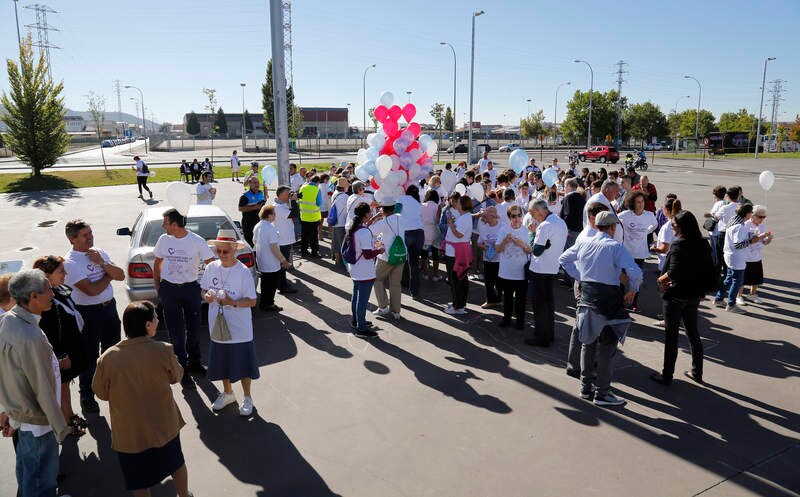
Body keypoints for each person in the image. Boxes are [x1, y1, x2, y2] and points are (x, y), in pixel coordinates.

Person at [92, 301, 192, 497]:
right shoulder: (163, 350)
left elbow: (101, 393)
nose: (157, 320)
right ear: (147, 325)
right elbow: (176, 377)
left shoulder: (107, 358)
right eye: (155, 317)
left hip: (130, 433)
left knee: (138, 478)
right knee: (176, 464)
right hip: (164, 425)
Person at [559, 212, 642, 407]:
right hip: (609, 302)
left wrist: (580, 276)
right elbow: (635, 272)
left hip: (587, 298)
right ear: (612, 228)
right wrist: (632, 289)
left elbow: (563, 259)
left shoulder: (584, 243)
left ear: (597, 226)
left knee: (588, 345)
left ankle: (585, 388)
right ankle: (602, 393)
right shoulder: (615, 247)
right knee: (607, 347)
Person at [0, 270, 71, 496]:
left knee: (28, 473)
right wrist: (59, 427)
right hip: (39, 423)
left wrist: (7, 411)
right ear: (32, 296)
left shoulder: (8, 321)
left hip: (23, 416)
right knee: (41, 481)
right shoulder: (29, 336)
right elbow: (42, 386)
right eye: (48, 289)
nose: (53, 293)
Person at [63, 219, 124, 414]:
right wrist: (108, 274)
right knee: (90, 356)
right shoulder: (70, 262)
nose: (90, 237)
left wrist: (103, 263)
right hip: (88, 313)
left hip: (109, 309)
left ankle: (110, 387)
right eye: (84, 235)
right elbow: (92, 291)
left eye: (90, 233)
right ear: (72, 239)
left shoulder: (99, 253)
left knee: (112, 351)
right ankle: (87, 396)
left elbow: (121, 275)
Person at [153, 209, 216, 390]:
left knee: (194, 328)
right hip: (169, 289)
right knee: (176, 333)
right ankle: (182, 371)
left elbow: (211, 263)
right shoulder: (164, 240)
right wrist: (158, 285)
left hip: (190, 289)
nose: (163, 226)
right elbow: (157, 263)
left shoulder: (196, 241)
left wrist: (205, 287)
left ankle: (195, 363)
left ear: (174, 224)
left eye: (165, 222)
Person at [650, 211, 714, 386]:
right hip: (694, 295)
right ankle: (697, 372)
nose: (672, 227)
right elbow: (709, 268)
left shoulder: (680, 245)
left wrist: (659, 281)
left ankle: (667, 375)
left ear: (682, 227)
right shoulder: (703, 243)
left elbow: (673, 272)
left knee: (672, 337)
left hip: (676, 295)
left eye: (674, 225)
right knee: (693, 334)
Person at [201, 230, 259, 416]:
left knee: (243, 362)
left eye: (225, 251)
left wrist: (231, 302)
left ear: (234, 250)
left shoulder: (242, 272)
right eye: (218, 251)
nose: (221, 255)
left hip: (240, 327)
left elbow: (252, 301)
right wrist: (207, 297)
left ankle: (247, 397)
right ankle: (228, 393)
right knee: (222, 360)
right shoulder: (211, 268)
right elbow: (203, 290)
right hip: (217, 323)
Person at [33, 256, 89, 436]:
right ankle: (65, 423)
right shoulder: (46, 300)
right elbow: (48, 332)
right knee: (62, 387)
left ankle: (68, 416)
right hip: (61, 354)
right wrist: (61, 355)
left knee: (64, 386)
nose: (65, 273)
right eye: (61, 271)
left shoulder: (57, 290)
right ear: (46, 276)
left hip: (70, 348)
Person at [526, 199, 568, 346]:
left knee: (539, 305)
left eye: (532, 213)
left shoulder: (545, 226)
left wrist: (532, 233)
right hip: (552, 268)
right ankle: (549, 334)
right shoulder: (560, 222)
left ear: (539, 211)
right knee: (549, 303)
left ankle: (541, 337)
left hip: (540, 269)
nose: (532, 217)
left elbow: (536, 250)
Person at [715, 203, 770, 314]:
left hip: (730, 256)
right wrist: (751, 241)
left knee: (729, 279)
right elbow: (738, 244)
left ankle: (719, 299)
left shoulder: (734, 220)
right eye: (751, 213)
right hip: (736, 258)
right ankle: (731, 305)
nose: (751, 215)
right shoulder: (739, 227)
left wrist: (752, 236)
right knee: (737, 282)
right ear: (747, 214)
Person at [347, 203, 384, 338]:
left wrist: (374, 218)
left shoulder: (355, 226)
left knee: (356, 295)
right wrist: (379, 250)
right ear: (366, 214)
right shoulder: (364, 231)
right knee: (362, 299)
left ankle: (356, 321)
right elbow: (368, 254)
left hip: (355, 267)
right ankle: (361, 328)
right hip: (364, 269)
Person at [618, 191, 658, 310]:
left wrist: (647, 231)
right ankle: (620, 301)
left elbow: (655, 225)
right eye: (637, 202)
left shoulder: (649, 215)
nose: (640, 204)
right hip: (626, 253)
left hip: (640, 254)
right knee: (622, 278)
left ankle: (634, 302)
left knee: (636, 279)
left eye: (642, 202)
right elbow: (614, 221)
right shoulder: (625, 215)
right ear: (632, 203)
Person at [369, 196, 405, 320]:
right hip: (401, 255)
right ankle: (396, 311)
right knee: (395, 283)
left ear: (383, 210)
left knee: (376, 278)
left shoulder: (383, 222)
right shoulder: (402, 218)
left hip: (386, 256)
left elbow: (369, 231)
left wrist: (374, 218)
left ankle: (383, 306)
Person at [495, 205, 530, 328]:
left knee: (521, 299)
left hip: (521, 271)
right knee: (508, 297)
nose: (517, 218)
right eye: (514, 216)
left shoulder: (526, 231)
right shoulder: (503, 229)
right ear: (509, 217)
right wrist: (505, 241)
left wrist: (521, 244)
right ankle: (507, 318)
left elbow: (531, 251)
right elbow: (497, 249)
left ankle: (520, 321)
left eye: (519, 215)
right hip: (506, 271)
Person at [254, 205, 291, 313]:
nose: (275, 216)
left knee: (265, 284)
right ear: (269, 215)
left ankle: (264, 303)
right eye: (274, 214)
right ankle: (269, 304)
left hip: (261, 260)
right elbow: (274, 247)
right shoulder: (271, 228)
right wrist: (284, 261)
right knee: (271, 284)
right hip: (271, 262)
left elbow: (254, 241)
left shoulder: (258, 226)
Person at [444, 196, 474, 315]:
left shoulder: (465, 218)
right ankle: (459, 302)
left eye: (458, 202)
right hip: (455, 251)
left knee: (456, 279)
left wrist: (451, 224)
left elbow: (459, 235)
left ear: (462, 205)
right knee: (458, 279)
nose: (456, 204)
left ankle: (458, 306)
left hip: (456, 252)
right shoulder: (464, 217)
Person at [741, 205, 773, 304]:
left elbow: (765, 242)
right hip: (746, 256)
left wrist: (769, 239)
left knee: (756, 278)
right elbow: (746, 242)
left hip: (757, 256)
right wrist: (760, 236)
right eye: (760, 217)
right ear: (752, 215)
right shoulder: (745, 225)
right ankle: (739, 296)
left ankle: (752, 294)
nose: (762, 219)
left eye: (764, 217)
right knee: (743, 278)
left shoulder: (762, 226)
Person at [398, 185, 424, 300]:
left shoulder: (401, 198)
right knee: (414, 263)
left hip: (406, 232)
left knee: (401, 259)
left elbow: (395, 212)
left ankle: (401, 285)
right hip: (419, 233)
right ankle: (415, 291)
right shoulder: (418, 203)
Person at [652, 198, 681, 273]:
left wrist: (653, 249)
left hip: (668, 264)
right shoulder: (682, 221)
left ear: (666, 210)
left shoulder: (667, 227)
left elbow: (664, 249)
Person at [298, 175, 323, 258]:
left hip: (303, 216)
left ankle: (304, 252)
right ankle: (314, 253)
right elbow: (319, 203)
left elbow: (299, 199)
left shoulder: (302, 187)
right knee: (313, 237)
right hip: (313, 217)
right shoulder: (317, 189)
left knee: (304, 236)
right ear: (317, 182)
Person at [421, 189, 443, 282]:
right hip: (434, 231)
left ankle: (425, 274)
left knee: (424, 253)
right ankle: (435, 274)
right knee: (435, 253)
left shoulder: (421, 205)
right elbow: (438, 221)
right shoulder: (438, 206)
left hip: (424, 232)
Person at [704, 185, 728, 269]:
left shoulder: (720, 203)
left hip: (716, 232)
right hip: (716, 231)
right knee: (716, 253)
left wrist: (709, 214)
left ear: (716, 194)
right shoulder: (722, 202)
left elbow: (717, 216)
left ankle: (716, 270)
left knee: (716, 254)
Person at [238, 177, 266, 248]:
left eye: (258, 183)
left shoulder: (260, 193)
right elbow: (240, 208)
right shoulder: (245, 196)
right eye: (255, 183)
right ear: (250, 184)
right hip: (249, 224)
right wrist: (255, 207)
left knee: (260, 245)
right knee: (251, 246)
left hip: (259, 223)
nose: (257, 184)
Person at [330, 178, 350, 268]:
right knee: (342, 244)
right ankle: (342, 263)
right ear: (344, 187)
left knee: (336, 242)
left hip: (335, 222)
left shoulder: (335, 194)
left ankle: (337, 260)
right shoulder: (345, 197)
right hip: (342, 223)